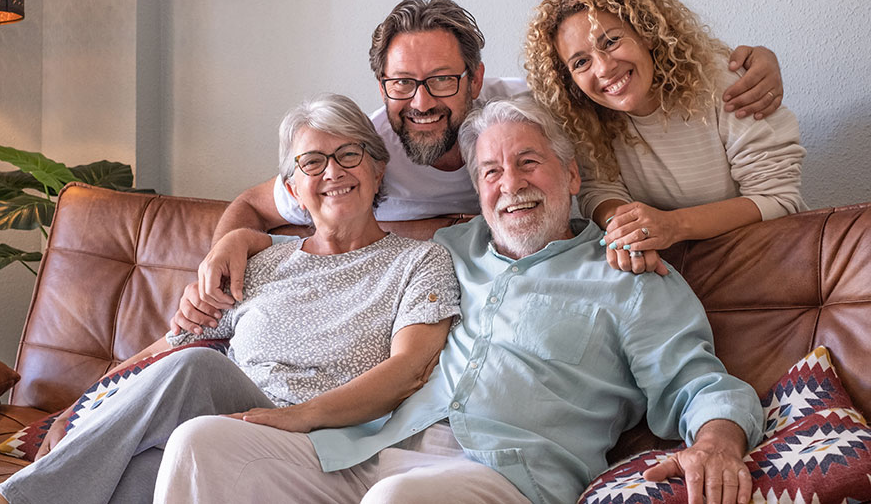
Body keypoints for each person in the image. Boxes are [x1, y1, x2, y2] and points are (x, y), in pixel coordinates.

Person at [155, 94, 763, 504]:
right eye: (492, 172)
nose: (512, 184)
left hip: (505, 472)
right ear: (476, 188)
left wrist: (715, 442)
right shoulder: (447, 247)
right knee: (200, 444)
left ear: (573, 177)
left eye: (530, 163)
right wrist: (235, 238)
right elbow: (310, 204)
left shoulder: (628, 271)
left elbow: (701, 383)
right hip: (370, 447)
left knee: (395, 501)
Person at [173, 0, 786, 333]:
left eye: (442, 80)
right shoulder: (361, 153)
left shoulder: (530, 106)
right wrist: (226, 247)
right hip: (421, 311)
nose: (421, 102)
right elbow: (256, 202)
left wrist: (750, 60)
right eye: (401, 83)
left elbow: (628, 78)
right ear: (381, 84)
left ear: (477, 79)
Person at [0, 94, 460, 504]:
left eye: (349, 154)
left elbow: (409, 369)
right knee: (137, 474)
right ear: (292, 186)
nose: (332, 172)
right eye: (312, 161)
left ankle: (6, 501)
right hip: (230, 431)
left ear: (377, 169)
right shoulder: (261, 261)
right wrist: (80, 413)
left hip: (327, 441)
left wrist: (296, 417)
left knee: (198, 369)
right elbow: (167, 349)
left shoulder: (418, 262)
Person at [525, 0, 806, 277]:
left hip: (767, 263)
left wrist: (672, 225)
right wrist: (627, 230)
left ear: (645, 32)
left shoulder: (720, 82)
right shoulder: (584, 117)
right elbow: (599, 190)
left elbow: (777, 199)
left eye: (611, 41)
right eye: (581, 62)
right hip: (674, 274)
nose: (603, 68)